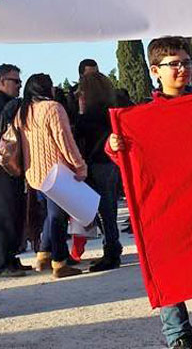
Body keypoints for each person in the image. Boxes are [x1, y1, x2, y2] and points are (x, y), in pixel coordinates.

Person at [109, 37, 192, 349]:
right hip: (165, 208)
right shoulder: (143, 117)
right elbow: (130, 159)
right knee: (170, 272)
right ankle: (178, 339)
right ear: (155, 70)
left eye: (187, 63)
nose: (182, 69)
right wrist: (114, 147)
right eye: (174, 64)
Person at [17, 73, 89, 279]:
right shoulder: (53, 108)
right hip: (56, 171)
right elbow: (65, 141)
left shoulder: (24, 111)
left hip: (34, 173)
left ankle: (43, 255)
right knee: (58, 217)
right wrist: (80, 166)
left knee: (51, 214)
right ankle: (60, 262)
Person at [0, 63, 30, 278]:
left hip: (8, 167)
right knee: (2, 217)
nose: (19, 86)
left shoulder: (5, 101)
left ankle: (10, 258)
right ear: (2, 82)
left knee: (13, 214)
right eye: (15, 81)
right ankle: (2, 263)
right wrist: (12, 108)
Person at [74, 71, 123, 271]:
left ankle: (111, 251)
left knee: (104, 212)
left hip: (97, 165)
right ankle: (113, 247)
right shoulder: (112, 112)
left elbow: (79, 136)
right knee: (109, 209)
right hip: (111, 164)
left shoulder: (87, 118)